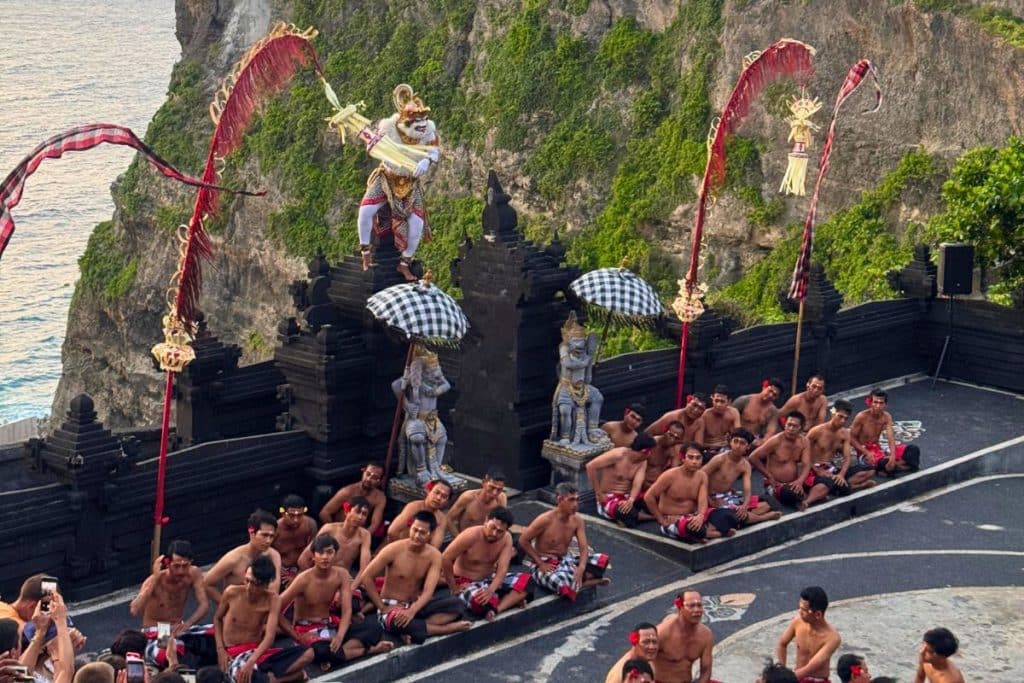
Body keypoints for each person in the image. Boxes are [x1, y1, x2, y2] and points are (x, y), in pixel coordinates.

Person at [277, 535, 391, 671]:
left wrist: (339, 636)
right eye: (321, 553)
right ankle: (369, 650)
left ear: (335, 554)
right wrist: (295, 635)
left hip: (330, 626)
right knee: (320, 652)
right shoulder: (303, 580)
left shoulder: (341, 574)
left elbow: (347, 610)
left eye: (330, 552)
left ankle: (336, 655)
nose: (325, 557)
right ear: (313, 556)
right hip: (308, 632)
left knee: (374, 628)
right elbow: (275, 608)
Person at [359, 511, 470, 644]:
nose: (417, 535)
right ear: (410, 528)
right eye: (415, 530)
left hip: (416, 605)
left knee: (457, 604)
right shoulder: (393, 549)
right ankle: (444, 629)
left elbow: (429, 590)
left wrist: (412, 611)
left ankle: (415, 628)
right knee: (396, 621)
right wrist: (382, 606)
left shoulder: (434, 556)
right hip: (392, 606)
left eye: (422, 532)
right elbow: (367, 577)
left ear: (430, 534)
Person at [213, 556, 312, 683]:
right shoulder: (231, 592)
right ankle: (288, 678)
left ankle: (272, 679)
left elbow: (269, 637)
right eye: (247, 581)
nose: (249, 587)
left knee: (309, 653)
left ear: (265, 584)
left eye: (255, 584)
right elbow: (217, 618)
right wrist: (220, 649)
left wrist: (251, 662)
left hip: (258, 652)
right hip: (235, 653)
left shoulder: (273, 600)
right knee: (244, 679)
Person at [518, 482, 610, 602]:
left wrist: (581, 568)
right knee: (561, 585)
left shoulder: (577, 521)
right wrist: (540, 563)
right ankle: (587, 582)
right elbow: (523, 540)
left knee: (601, 559)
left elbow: (583, 548)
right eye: (571, 500)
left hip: (567, 560)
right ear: (560, 499)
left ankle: (579, 580)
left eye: (577, 500)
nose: (575, 504)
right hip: (547, 563)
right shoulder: (545, 520)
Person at [129, 540, 212, 668]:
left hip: (179, 627)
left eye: (185, 566)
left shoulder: (193, 573)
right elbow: (135, 609)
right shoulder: (154, 581)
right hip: (158, 629)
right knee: (172, 655)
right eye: (177, 566)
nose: (181, 571)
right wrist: (155, 578)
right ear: (167, 563)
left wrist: (188, 623)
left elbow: (204, 605)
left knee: (217, 635)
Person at [441, 507, 532, 620]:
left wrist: (491, 590)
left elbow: (502, 569)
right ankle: (508, 600)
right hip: (465, 582)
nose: (494, 533)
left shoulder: (506, 538)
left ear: (506, 530)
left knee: (528, 583)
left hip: (489, 579)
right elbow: (446, 558)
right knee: (480, 603)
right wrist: (453, 587)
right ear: (486, 521)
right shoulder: (470, 535)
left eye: (500, 531)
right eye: (492, 527)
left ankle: (497, 609)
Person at [702, 428, 782, 534]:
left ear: (747, 446)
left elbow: (747, 489)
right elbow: (700, 478)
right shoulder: (719, 459)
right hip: (710, 497)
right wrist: (710, 500)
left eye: (742, 443)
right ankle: (763, 518)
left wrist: (744, 506)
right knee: (731, 515)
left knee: (767, 504)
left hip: (728, 497)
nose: (738, 445)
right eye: (735, 441)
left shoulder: (745, 465)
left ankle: (745, 516)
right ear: (730, 442)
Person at [803, 400, 876, 508]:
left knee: (870, 470)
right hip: (815, 470)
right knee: (827, 485)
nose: (842, 421)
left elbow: (847, 458)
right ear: (833, 413)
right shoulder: (816, 431)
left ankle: (840, 486)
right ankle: (807, 502)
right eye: (840, 416)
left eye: (845, 418)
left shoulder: (845, 433)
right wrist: (817, 470)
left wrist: (841, 474)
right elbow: (803, 454)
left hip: (832, 469)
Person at [204, 511, 282, 603]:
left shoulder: (274, 556)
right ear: (251, 532)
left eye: (271, 536)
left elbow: (274, 590)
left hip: (262, 609)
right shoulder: (233, 559)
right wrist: (226, 607)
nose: (268, 541)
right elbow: (207, 583)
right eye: (264, 535)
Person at [644, 445, 713, 542]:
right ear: (682, 458)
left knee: (729, 516)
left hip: (693, 515)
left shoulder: (702, 476)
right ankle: (712, 533)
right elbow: (648, 497)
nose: (694, 461)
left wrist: (700, 516)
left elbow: (702, 500)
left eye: (698, 458)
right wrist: (661, 520)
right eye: (690, 457)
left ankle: (705, 533)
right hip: (672, 519)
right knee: (693, 529)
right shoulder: (669, 475)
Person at [585, 436, 655, 528]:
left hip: (629, 496)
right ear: (644, 451)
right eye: (649, 452)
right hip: (610, 496)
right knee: (626, 513)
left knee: (653, 499)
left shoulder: (643, 461)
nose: (650, 455)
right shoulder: (618, 454)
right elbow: (590, 466)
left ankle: (640, 514)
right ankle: (651, 517)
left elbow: (638, 482)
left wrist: (631, 499)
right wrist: (598, 493)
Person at [775, 586, 841, 683]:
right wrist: (782, 669)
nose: (799, 612)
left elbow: (810, 668)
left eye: (804, 610)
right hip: (796, 677)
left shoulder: (832, 638)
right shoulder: (797, 621)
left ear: (817, 614)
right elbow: (782, 643)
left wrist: (786, 679)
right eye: (799, 608)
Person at [850, 389, 921, 476]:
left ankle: (893, 467)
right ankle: (899, 466)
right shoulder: (861, 417)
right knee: (887, 463)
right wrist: (866, 452)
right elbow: (851, 438)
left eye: (881, 403)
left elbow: (891, 438)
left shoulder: (886, 416)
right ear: (870, 402)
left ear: (885, 404)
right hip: (865, 452)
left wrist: (892, 456)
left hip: (879, 449)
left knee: (913, 449)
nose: (878, 406)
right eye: (875, 402)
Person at [750, 412, 812, 510]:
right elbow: (753, 457)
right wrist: (769, 476)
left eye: (795, 426)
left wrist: (800, 481)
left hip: (794, 483)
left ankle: (805, 499)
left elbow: (806, 464)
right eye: (789, 425)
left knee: (824, 482)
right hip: (777, 485)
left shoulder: (804, 442)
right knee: (789, 492)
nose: (791, 429)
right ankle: (801, 499)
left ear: (801, 427)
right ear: (785, 425)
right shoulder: (775, 441)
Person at [298, 497, 372, 577]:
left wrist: (352, 587)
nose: (360, 517)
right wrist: (315, 580)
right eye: (357, 512)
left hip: (343, 580)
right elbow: (303, 560)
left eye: (364, 514)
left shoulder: (365, 535)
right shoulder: (329, 529)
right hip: (321, 577)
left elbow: (364, 569)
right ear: (347, 511)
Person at [654, 591, 714, 683]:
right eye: (691, 606)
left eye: (699, 605)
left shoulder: (706, 635)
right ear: (680, 607)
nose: (697, 610)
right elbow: (637, 659)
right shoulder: (662, 632)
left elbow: (706, 671)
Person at [318, 462, 387, 540]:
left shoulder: (380, 497)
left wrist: (363, 539)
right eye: (367, 474)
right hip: (340, 531)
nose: (369, 479)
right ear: (363, 472)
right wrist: (335, 533)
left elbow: (375, 523)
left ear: (380, 481)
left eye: (374, 477)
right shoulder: (347, 492)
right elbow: (324, 513)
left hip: (359, 534)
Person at [387, 479, 453, 548]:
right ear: (428, 491)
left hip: (421, 554)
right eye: (436, 492)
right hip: (399, 546)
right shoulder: (414, 507)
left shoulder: (441, 519)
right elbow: (392, 531)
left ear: (447, 502)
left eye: (444, 496)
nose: (438, 498)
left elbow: (434, 546)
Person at [272, 496, 317, 589]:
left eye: (300, 515)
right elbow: (264, 552)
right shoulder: (275, 529)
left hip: (303, 567)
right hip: (280, 569)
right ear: (283, 513)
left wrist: (299, 575)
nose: (296, 520)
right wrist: (279, 571)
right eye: (291, 515)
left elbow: (315, 551)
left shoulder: (310, 524)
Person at [446, 469, 508, 537]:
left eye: (499, 489)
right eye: (492, 487)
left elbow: (503, 522)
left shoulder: (501, 498)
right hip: (468, 539)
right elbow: (449, 519)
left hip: (489, 539)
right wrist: (458, 539)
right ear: (484, 483)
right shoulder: (468, 497)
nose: (495, 493)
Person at [734, 378, 785, 446]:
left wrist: (761, 442)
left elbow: (770, 433)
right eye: (770, 391)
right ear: (764, 387)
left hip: (754, 442)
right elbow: (729, 416)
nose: (770, 395)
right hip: (736, 439)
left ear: (777, 397)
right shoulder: (744, 400)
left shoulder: (773, 411)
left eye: (774, 395)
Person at [639, 423, 685, 496]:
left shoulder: (672, 450)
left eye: (677, 438)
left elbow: (675, 473)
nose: (672, 440)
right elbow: (635, 467)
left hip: (657, 486)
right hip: (641, 484)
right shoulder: (650, 443)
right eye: (671, 435)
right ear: (664, 431)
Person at [699, 386, 742, 460]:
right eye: (716, 401)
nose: (718, 404)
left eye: (722, 402)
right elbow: (698, 442)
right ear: (712, 399)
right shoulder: (704, 415)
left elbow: (738, 435)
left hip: (726, 448)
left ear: (729, 402)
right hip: (708, 450)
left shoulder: (733, 413)